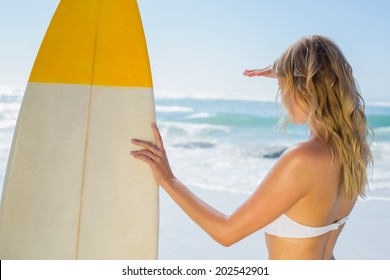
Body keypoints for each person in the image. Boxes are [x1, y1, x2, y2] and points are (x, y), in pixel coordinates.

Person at [130, 35, 373, 260]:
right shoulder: (353, 151)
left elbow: (226, 233)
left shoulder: (302, 159)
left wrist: (168, 179)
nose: (282, 95)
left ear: (303, 87)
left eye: (282, 86)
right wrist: (284, 70)